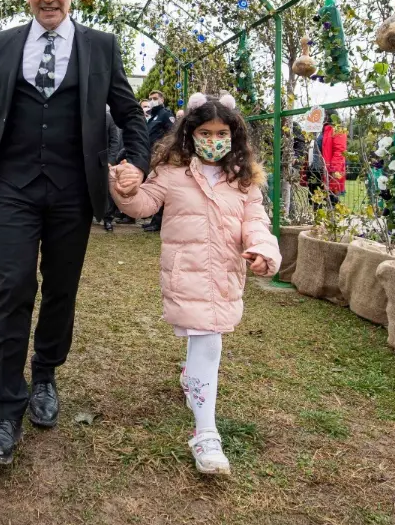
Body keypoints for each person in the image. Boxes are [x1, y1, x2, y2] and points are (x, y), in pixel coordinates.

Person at [0, 0, 149, 466]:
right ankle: (5, 409)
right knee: (13, 286)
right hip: (13, 189)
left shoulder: (101, 47)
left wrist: (135, 162)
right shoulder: (0, 45)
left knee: (60, 289)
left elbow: (131, 115)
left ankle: (45, 374)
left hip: (72, 191)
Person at [110, 92, 280, 475]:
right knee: (208, 342)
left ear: (234, 135)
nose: (214, 139)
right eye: (205, 131)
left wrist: (262, 249)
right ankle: (206, 433)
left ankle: (192, 382)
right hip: (185, 274)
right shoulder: (171, 173)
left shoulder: (242, 180)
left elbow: (256, 221)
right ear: (190, 132)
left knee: (206, 338)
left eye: (222, 132)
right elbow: (142, 206)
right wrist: (124, 189)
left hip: (224, 275)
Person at [139, 90, 177, 232]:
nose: (152, 101)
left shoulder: (165, 114)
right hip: (150, 156)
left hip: (160, 156)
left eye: (155, 98)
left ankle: (158, 222)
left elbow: (173, 133)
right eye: (150, 98)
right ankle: (154, 220)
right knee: (154, 187)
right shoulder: (153, 116)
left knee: (161, 188)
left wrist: (164, 150)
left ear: (162, 99)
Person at [306, 117, 347, 207]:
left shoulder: (337, 129)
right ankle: (318, 219)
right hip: (315, 171)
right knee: (315, 201)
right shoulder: (320, 130)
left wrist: (334, 170)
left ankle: (331, 219)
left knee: (330, 199)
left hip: (327, 171)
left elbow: (339, 151)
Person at [102, 106, 122, 232]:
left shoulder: (108, 118)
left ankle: (108, 218)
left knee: (108, 190)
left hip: (105, 160)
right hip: (87, 161)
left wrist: (110, 160)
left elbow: (115, 141)